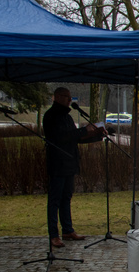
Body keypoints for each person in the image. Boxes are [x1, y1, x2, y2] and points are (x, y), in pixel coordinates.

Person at [43, 87, 104, 248]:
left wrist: (96, 136)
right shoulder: (51, 116)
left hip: (69, 162)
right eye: (66, 97)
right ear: (56, 97)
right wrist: (84, 130)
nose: (70, 100)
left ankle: (67, 229)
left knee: (66, 198)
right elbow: (61, 137)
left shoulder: (67, 117)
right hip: (57, 163)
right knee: (55, 200)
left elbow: (75, 138)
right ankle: (54, 235)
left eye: (70, 98)